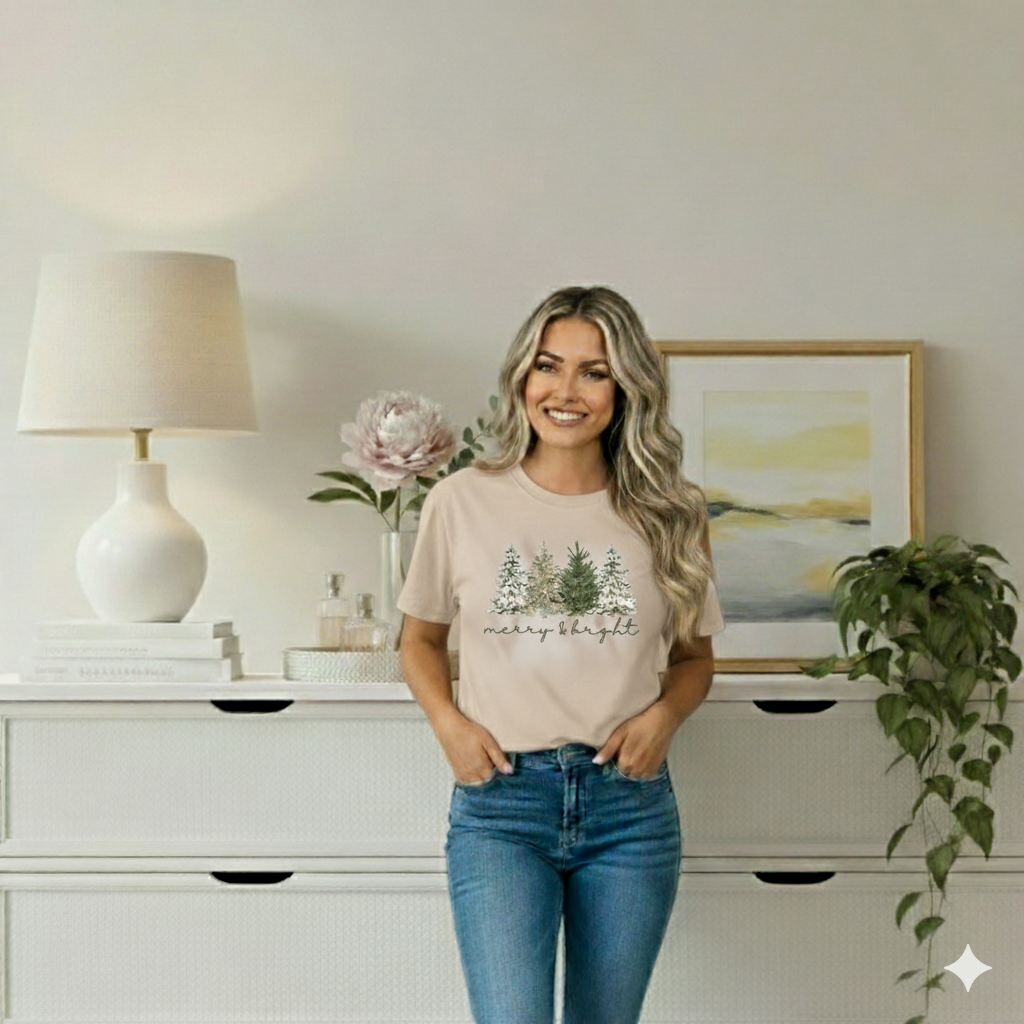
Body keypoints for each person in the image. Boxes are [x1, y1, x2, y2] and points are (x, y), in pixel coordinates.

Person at [397, 285, 725, 1024]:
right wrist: (450, 725)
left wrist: (665, 718)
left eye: (595, 371)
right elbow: (418, 642)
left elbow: (695, 659)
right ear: (522, 378)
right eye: (549, 366)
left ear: (626, 389)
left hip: (629, 809)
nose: (566, 391)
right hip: (501, 807)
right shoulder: (460, 502)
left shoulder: (673, 512)